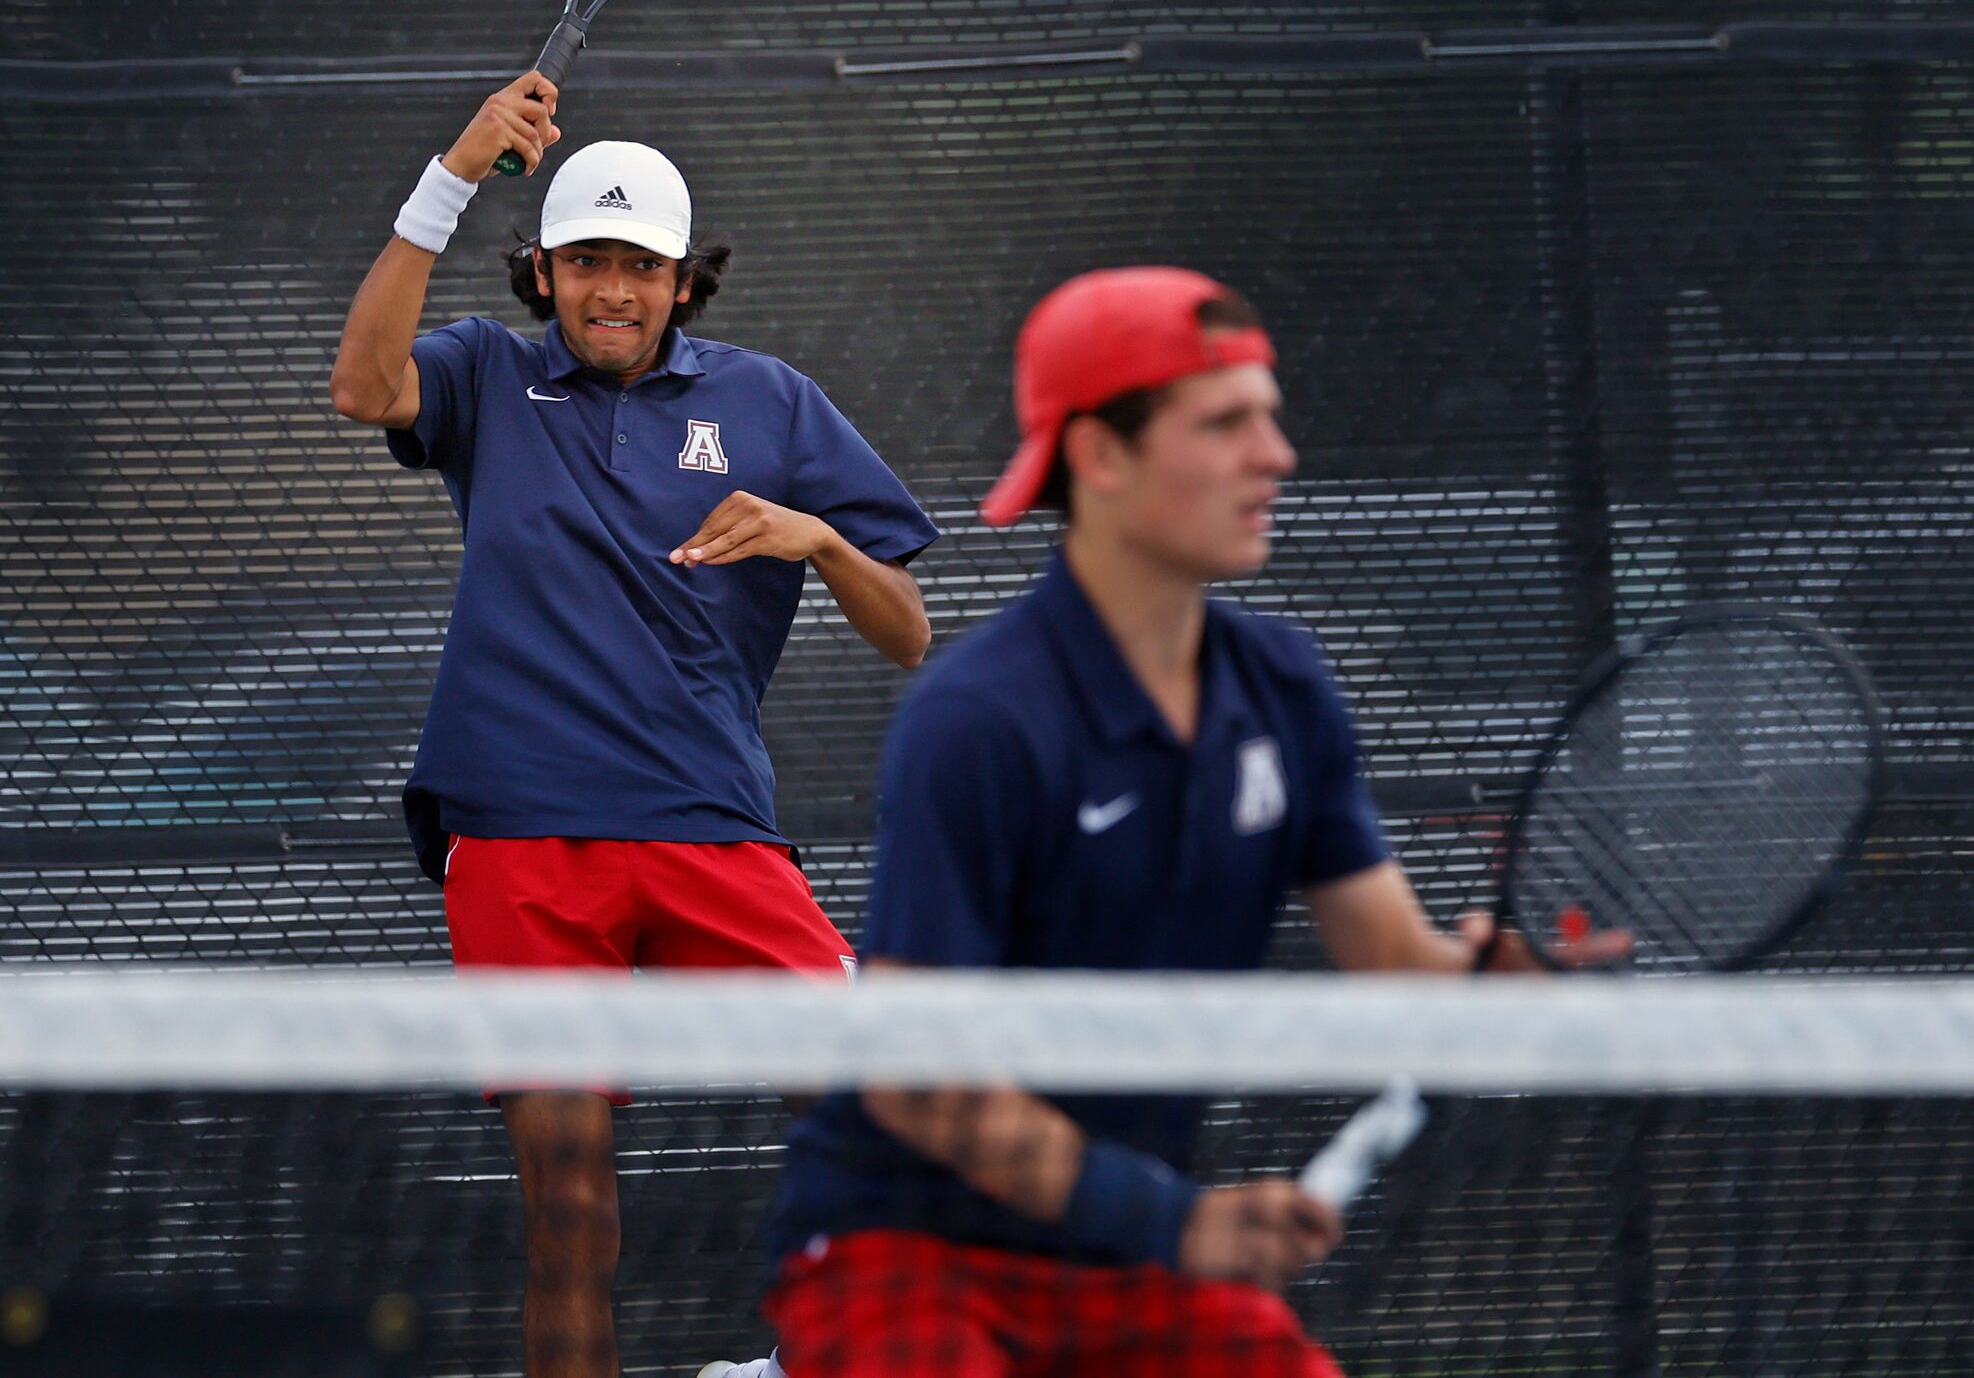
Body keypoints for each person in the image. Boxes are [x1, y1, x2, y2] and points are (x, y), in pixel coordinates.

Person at [763, 266, 1623, 1378]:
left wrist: (1504, 982)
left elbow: (1399, 962)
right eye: (1226, 422)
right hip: (901, 1252)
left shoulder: (1283, 688)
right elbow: (921, 1076)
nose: (1277, 455)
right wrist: (1177, 1220)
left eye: (1269, 416)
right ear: (1102, 455)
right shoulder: (979, 718)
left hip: (1119, 1261)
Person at [329, 76, 938, 1378]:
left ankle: (812, 1361)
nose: (615, 287)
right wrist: (453, 169)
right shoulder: (486, 376)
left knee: (882, 1116)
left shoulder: (770, 401)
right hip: (521, 837)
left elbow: (908, 632)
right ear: (543, 272)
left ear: (682, 282)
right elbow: (359, 384)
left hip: (711, 829)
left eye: (642, 265)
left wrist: (814, 534)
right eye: (589, 259)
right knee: (571, 1204)